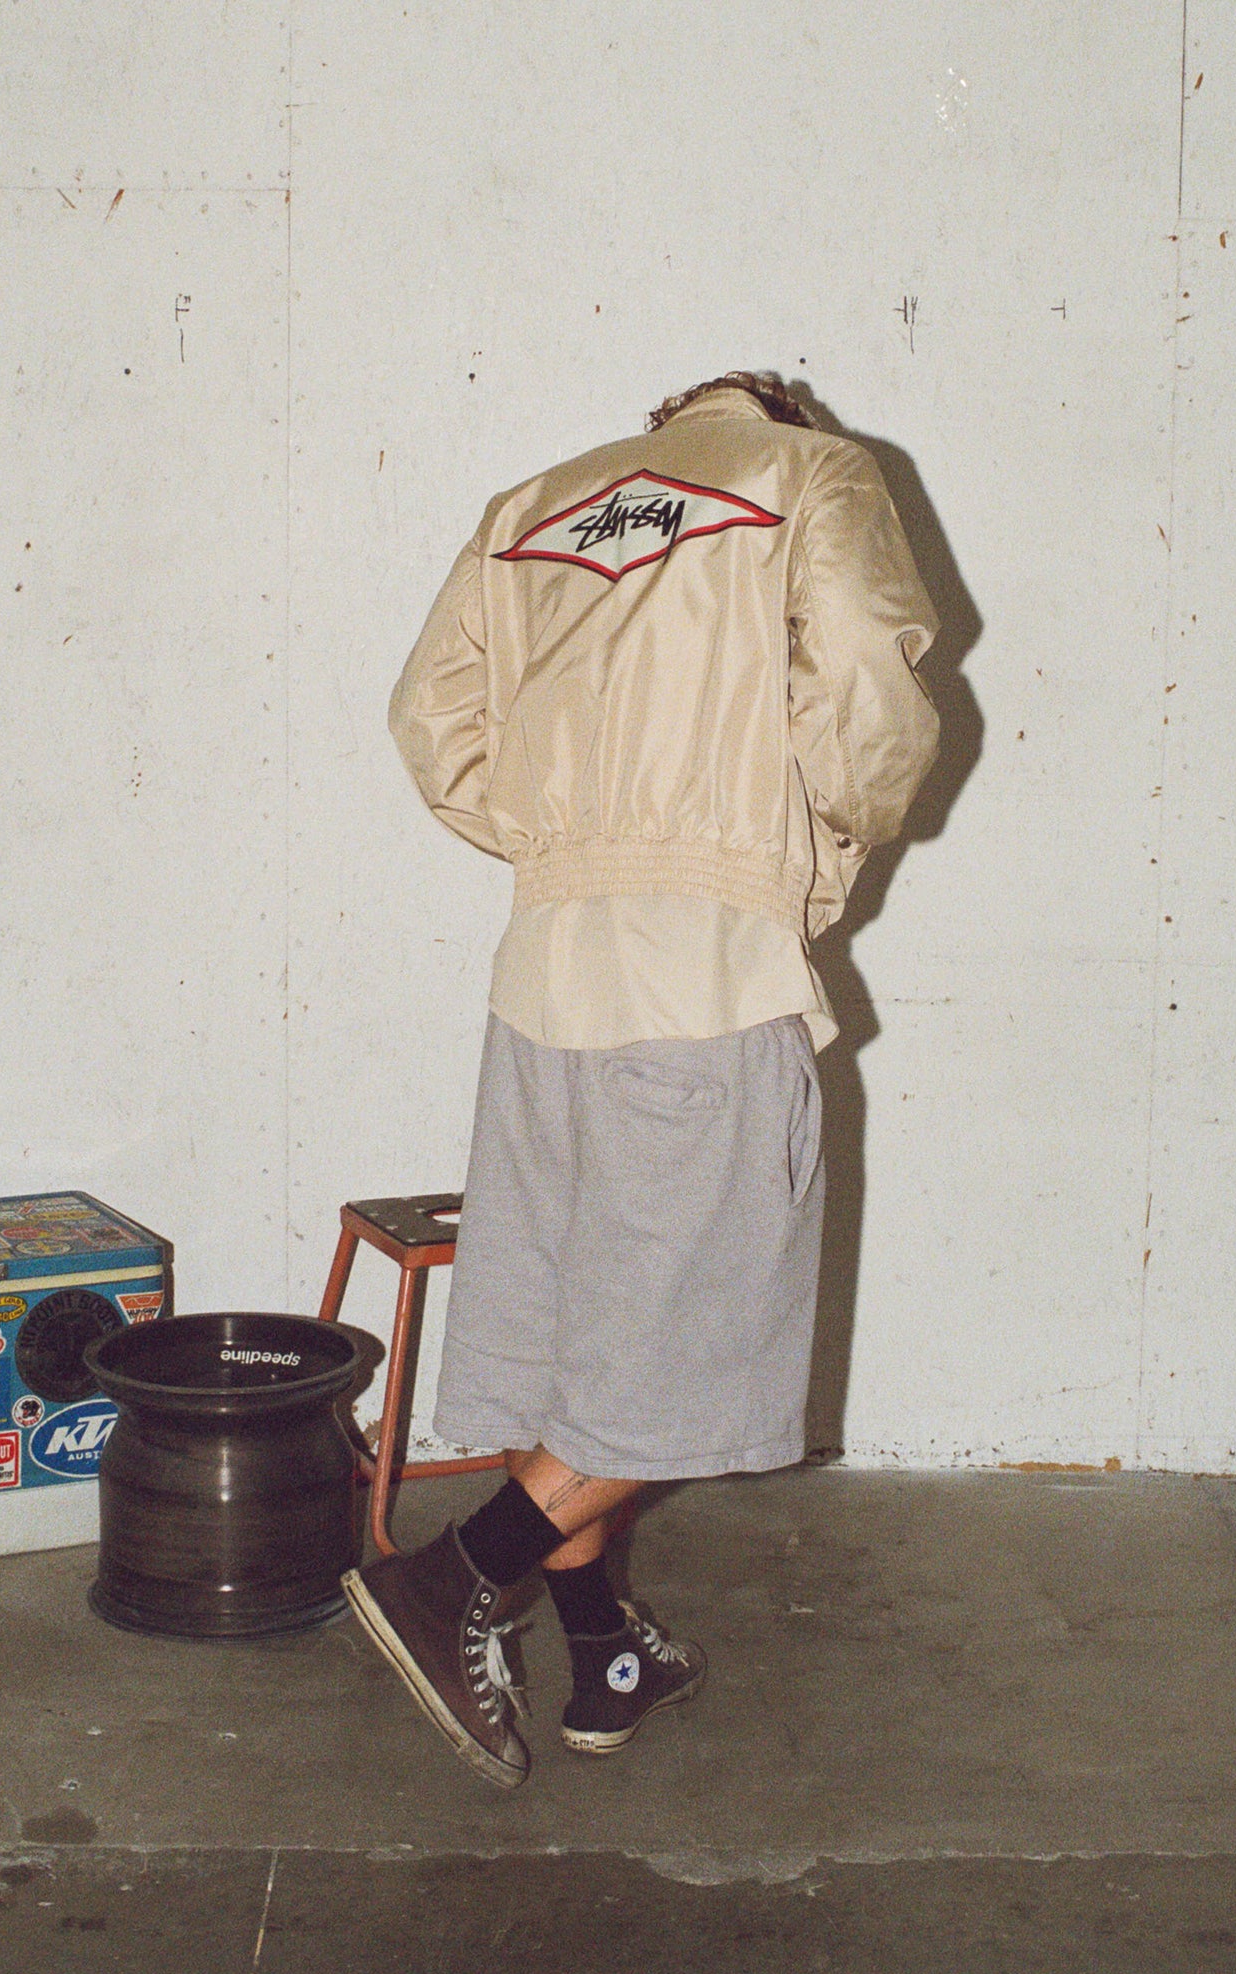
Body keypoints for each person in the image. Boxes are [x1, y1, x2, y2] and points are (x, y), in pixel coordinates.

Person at [343, 372, 940, 1788]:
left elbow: (431, 723)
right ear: (775, 412)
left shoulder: (530, 506)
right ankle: (450, 1581)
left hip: (544, 980)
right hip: (705, 981)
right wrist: (815, 845)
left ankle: (606, 1648)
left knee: (584, 1353)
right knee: (689, 1350)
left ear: (668, 416)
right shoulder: (812, 474)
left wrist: (567, 844)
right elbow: (871, 689)